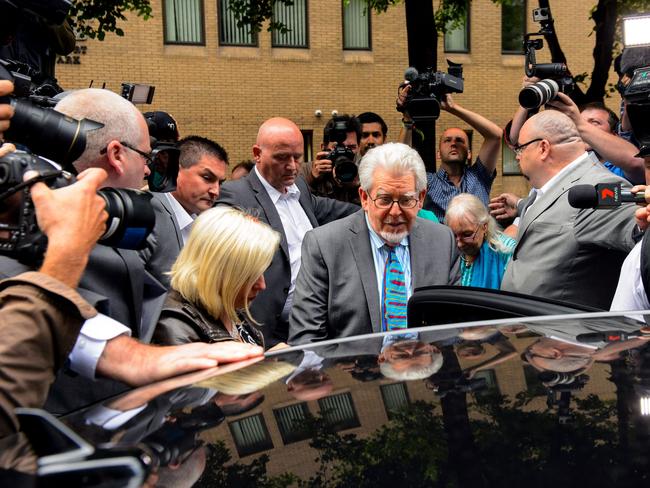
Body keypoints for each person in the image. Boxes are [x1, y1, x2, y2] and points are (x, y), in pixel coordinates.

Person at [288, 142, 460, 344]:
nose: (395, 212)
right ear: (364, 197)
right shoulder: (324, 245)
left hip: (426, 371)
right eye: (384, 200)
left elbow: (453, 326)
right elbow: (306, 338)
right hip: (352, 372)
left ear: (421, 198)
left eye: (406, 200)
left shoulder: (442, 241)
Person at [218, 117, 358, 347]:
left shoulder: (300, 188)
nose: (292, 166)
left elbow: (334, 210)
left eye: (297, 157)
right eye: (282, 158)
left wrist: (375, 208)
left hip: (314, 326)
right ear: (257, 153)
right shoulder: (235, 196)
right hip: (267, 331)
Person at [500, 110, 637, 309]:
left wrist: (641, 227)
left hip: (565, 336)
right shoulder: (543, 189)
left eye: (520, 149)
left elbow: (639, 228)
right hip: (527, 332)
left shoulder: (598, 188)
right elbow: (553, 211)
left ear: (543, 148)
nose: (518, 158)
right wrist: (519, 205)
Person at [153, 206, 280, 347]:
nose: (262, 285)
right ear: (219, 271)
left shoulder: (228, 308)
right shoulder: (176, 324)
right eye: (250, 275)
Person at [397, 87, 502, 222]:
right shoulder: (427, 182)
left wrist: (453, 108)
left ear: (469, 153)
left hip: (478, 241)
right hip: (440, 242)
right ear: (438, 154)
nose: (453, 144)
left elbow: (496, 136)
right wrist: (407, 120)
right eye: (447, 140)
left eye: (460, 141)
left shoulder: (479, 176)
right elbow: (400, 161)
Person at [144, 135, 229, 287]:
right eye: (207, 177)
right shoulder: (149, 216)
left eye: (220, 183)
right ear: (176, 170)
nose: (215, 191)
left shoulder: (205, 224)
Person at [445, 193, 516, 289]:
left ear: (484, 226)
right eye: (454, 235)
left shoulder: (507, 251)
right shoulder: (448, 253)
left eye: (467, 235)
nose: (459, 244)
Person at [302, 114, 362, 204]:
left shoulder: (366, 174)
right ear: (323, 147)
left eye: (351, 147)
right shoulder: (305, 171)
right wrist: (312, 180)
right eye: (337, 147)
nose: (343, 152)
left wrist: (356, 187)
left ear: (358, 147)